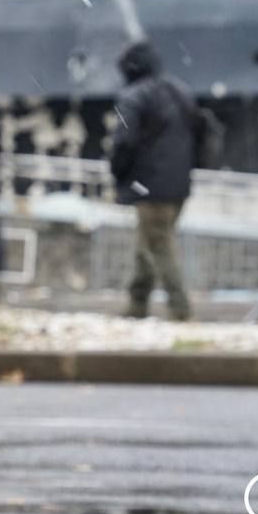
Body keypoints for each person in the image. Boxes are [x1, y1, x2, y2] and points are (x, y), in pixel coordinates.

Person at [109, 41, 197, 321]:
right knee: (148, 243)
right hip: (179, 184)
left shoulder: (133, 97)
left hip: (148, 184)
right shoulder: (180, 92)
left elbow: (123, 141)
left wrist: (118, 172)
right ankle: (137, 303)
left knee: (158, 245)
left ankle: (180, 308)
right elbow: (202, 133)